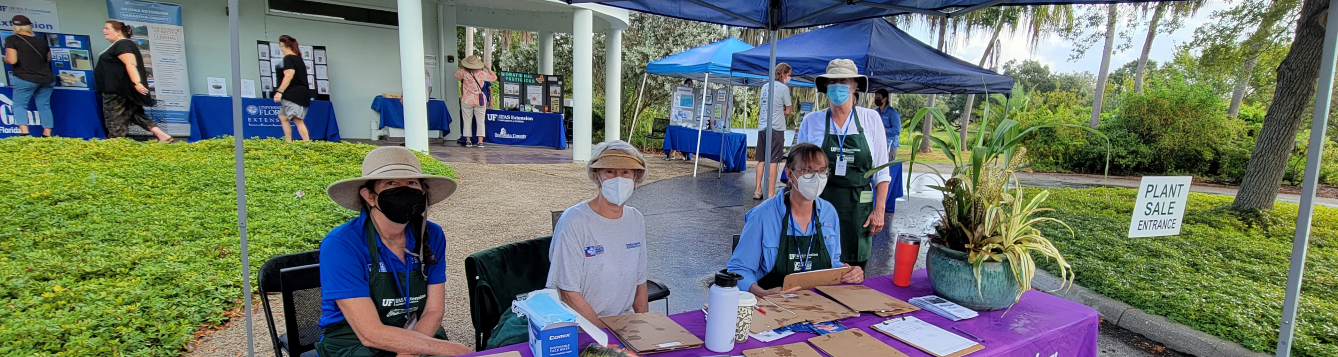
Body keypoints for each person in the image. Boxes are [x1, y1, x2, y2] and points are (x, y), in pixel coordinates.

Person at [315, 146, 471, 357]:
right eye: (391, 183)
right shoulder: (341, 244)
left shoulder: (432, 235)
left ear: (422, 193)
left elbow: (433, 312)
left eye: (411, 183)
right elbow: (369, 333)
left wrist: (410, 352)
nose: (403, 190)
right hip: (353, 341)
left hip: (416, 332)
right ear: (369, 196)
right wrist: (450, 349)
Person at [728, 143, 864, 297]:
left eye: (822, 171)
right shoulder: (762, 216)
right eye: (807, 171)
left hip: (819, 306)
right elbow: (738, 269)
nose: (816, 178)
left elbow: (832, 263)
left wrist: (849, 272)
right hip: (772, 307)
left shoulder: (828, 213)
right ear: (790, 174)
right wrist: (761, 293)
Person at [795, 59, 890, 269]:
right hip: (820, 205)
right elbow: (798, 171)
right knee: (817, 268)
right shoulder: (812, 121)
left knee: (854, 275)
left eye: (843, 81)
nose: (838, 86)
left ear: (855, 86)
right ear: (826, 87)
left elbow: (882, 172)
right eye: (833, 81)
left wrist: (879, 210)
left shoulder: (871, 119)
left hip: (858, 210)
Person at [547, 140, 649, 328]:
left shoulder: (636, 219)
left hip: (622, 324)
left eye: (625, 172)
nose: (618, 178)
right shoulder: (575, 221)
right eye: (610, 171)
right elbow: (568, 293)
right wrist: (606, 337)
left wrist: (645, 326)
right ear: (596, 176)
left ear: (636, 178)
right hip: (578, 326)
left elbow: (639, 283)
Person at [94, 20, 172, 142]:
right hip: (123, 90)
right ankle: (162, 135)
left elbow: (130, 63)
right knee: (135, 114)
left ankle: (115, 143)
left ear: (118, 32)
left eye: (107, 28)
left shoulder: (122, 44)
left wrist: (137, 83)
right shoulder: (121, 45)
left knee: (114, 117)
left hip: (117, 91)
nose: (104, 31)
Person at [4, 15, 57, 137]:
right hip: (46, 78)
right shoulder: (41, 41)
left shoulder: (12, 39)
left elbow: (12, 60)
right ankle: (47, 134)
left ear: (15, 26)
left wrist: (5, 59)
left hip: (25, 77)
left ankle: (24, 133)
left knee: (19, 105)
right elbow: (48, 58)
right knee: (44, 106)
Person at [754, 63, 793, 200]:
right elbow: (789, 111)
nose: (789, 78)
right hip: (776, 128)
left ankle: (757, 190)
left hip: (763, 126)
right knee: (773, 160)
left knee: (761, 159)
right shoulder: (783, 88)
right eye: (789, 75)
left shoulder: (765, 86)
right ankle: (770, 192)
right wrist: (781, 108)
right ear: (783, 74)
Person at [273, 35, 312, 142]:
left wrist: (279, 92)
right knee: (283, 117)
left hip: (293, 94)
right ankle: (288, 142)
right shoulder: (298, 59)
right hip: (295, 93)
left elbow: (289, 74)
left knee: (298, 120)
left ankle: (307, 144)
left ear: (281, 44)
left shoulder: (288, 58)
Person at [454, 55, 495, 147]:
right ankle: (480, 142)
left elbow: (456, 75)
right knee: (480, 121)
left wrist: (462, 67)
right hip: (479, 100)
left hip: (467, 100)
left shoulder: (463, 73)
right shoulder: (481, 73)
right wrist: (488, 68)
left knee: (467, 120)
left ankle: (468, 141)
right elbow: (494, 77)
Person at [874, 89, 901, 160]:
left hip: (891, 145)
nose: (876, 100)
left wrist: (885, 130)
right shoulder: (875, 112)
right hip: (878, 144)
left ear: (885, 99)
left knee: (889, 167)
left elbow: (897, 130)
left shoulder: (893, 113)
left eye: (878, 98)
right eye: (875, 98)